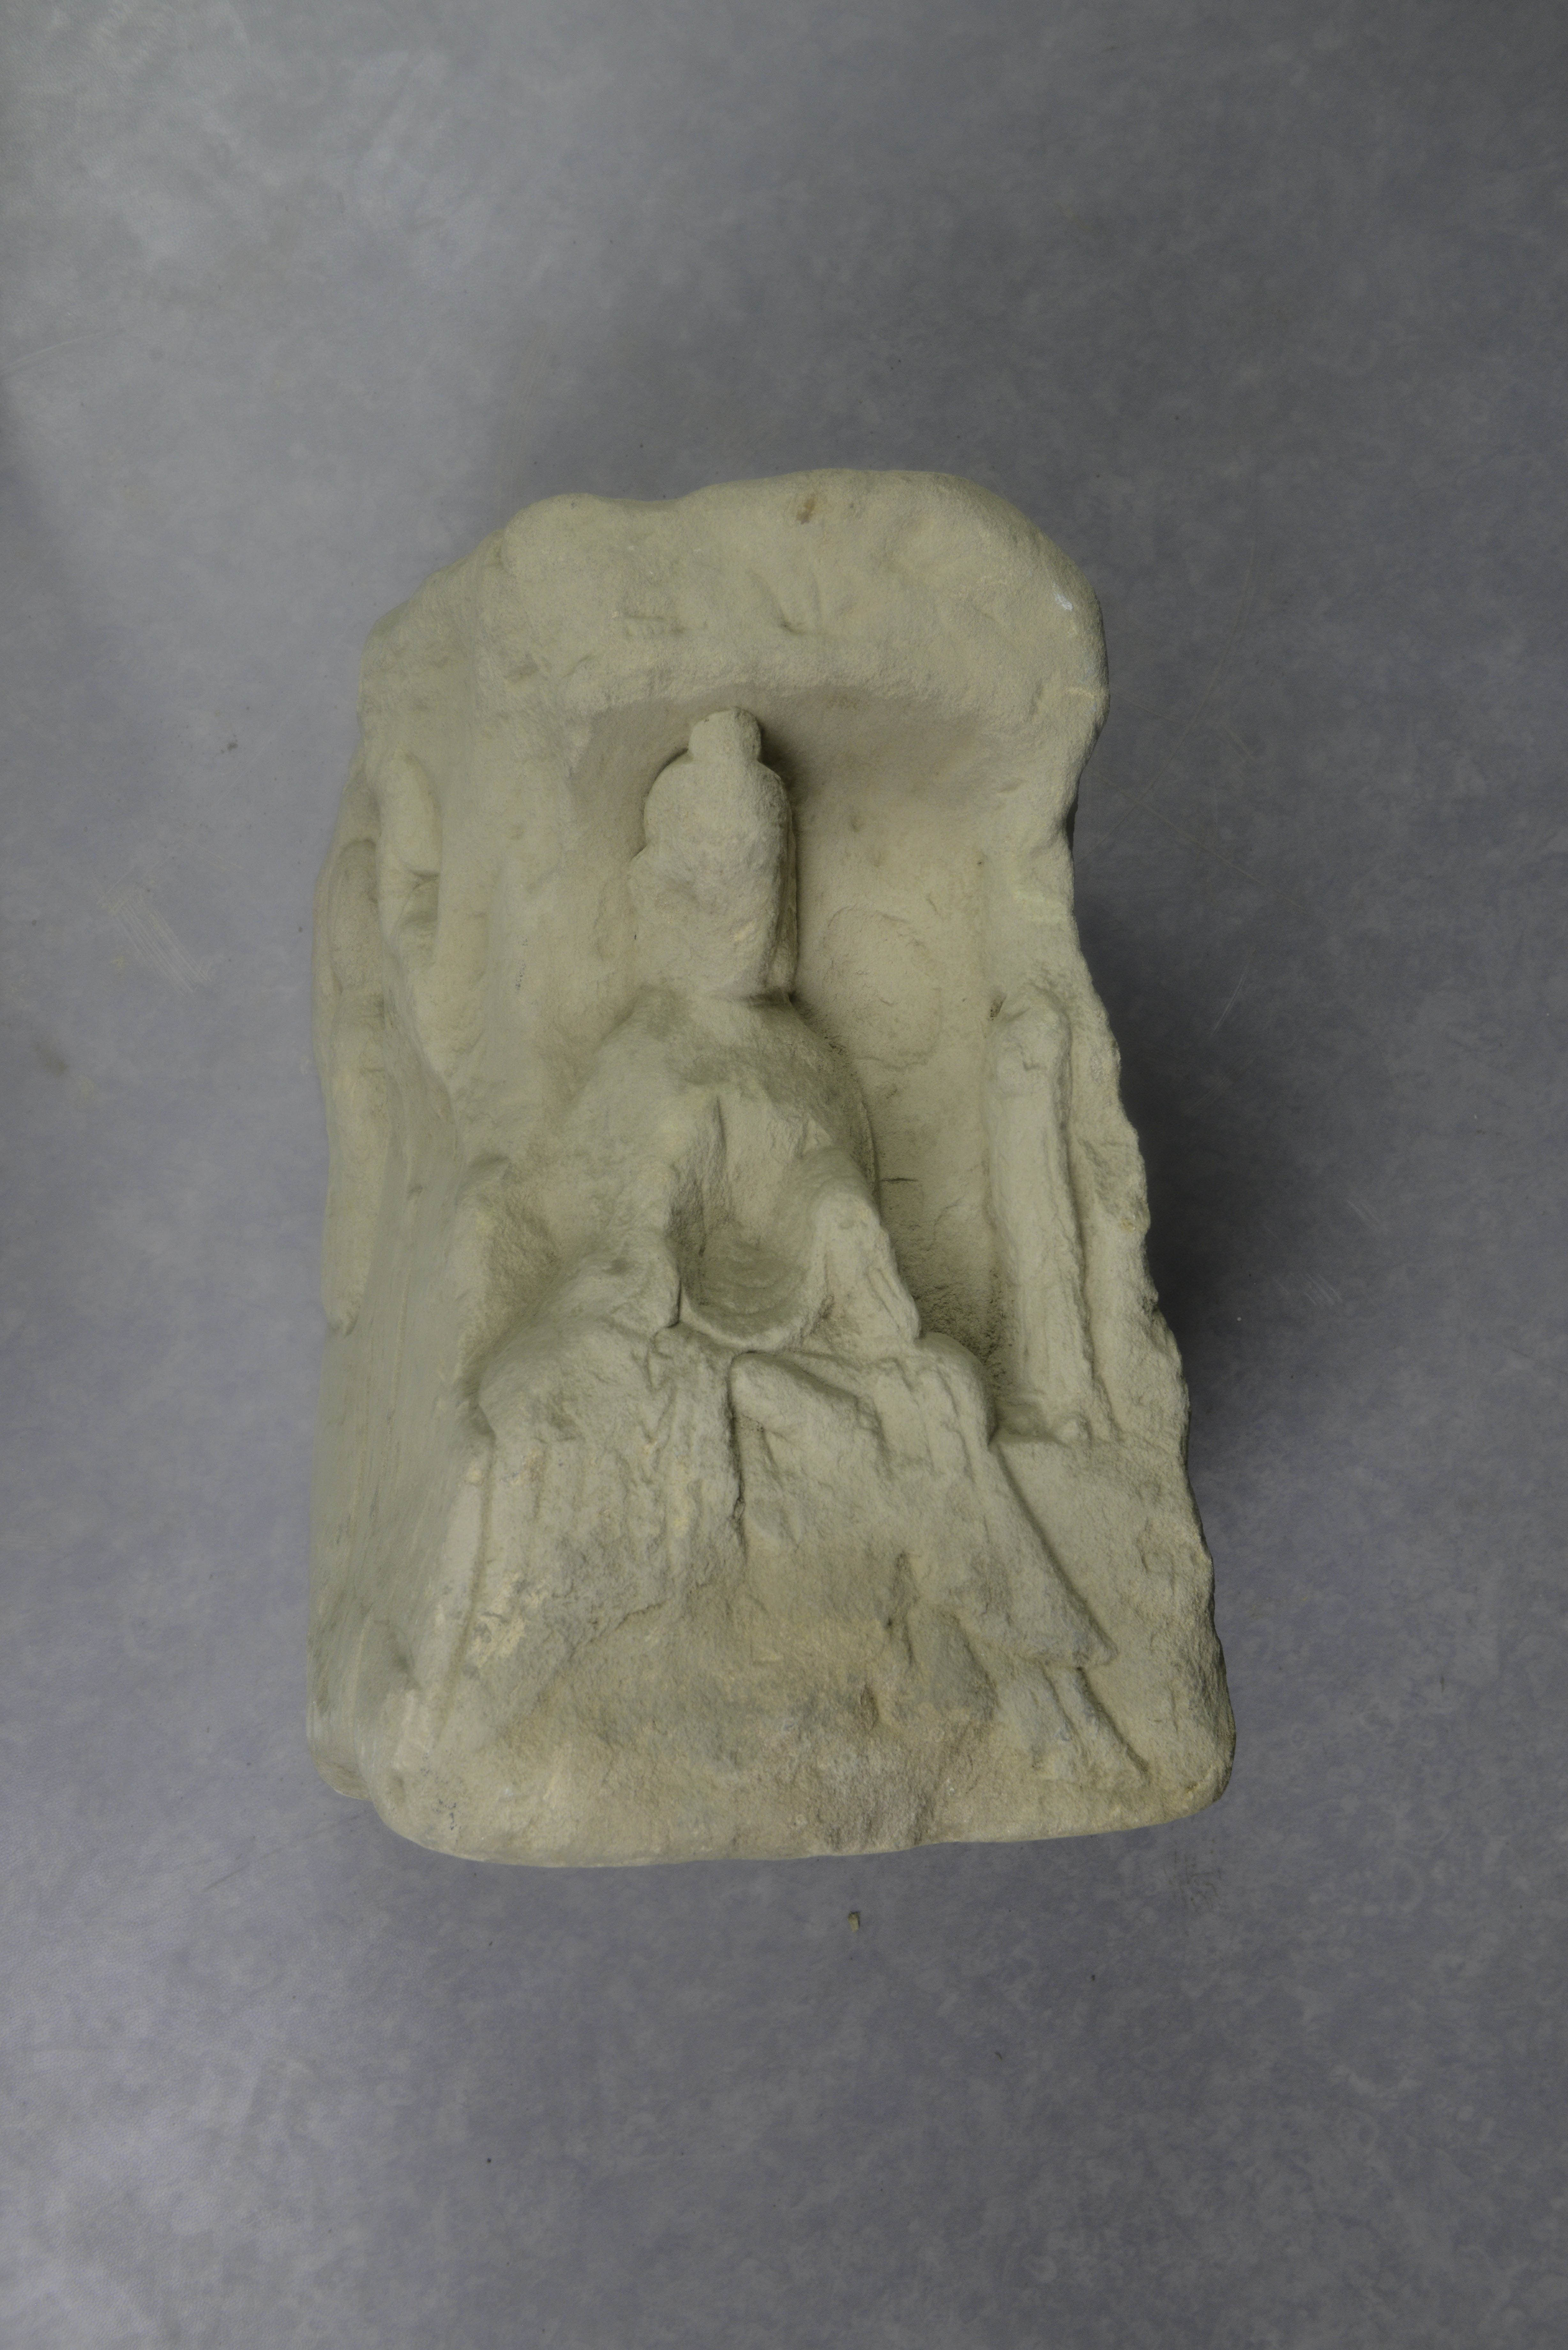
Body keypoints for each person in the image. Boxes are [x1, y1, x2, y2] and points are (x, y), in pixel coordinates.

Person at [469, 710, 1124, 1768]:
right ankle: (939, 1653)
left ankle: (1012, 1664)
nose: (740, 920)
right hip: (682, 1328)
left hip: (809, 1320)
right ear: (659, 896)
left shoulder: (804, 1054)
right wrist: (656, 1232)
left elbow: (828, 1183)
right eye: (714, 890)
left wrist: (841, 1223)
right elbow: (611, 1225)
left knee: (946, 1390)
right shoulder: (641, 1055)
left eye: (760, 890)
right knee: (756, 1413)